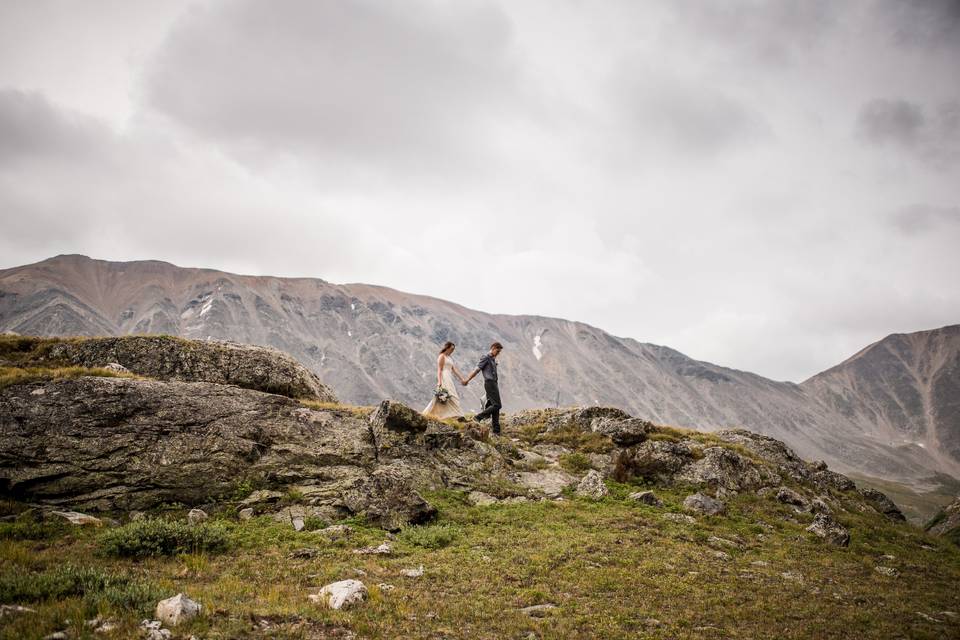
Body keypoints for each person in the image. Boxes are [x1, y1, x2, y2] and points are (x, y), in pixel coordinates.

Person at [463, 342, 503, 435]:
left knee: (495, 406)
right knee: (497, 405)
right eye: (497, 351)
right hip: (490, 384)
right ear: (493, 348)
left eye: (499, 352)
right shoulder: (485, 357)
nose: (498, 353)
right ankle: (478, 417)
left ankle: (496, 431)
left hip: (494, 384)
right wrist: (467, 379)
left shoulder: (493, 359)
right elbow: (477, 370)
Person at [422, 341, 467, 420]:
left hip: (449, 377)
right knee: (446, 394)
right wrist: (439, 382)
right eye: (451, 349)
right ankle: (454, 415)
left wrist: (461, 379)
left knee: (451, 395)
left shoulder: (449, 358)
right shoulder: (441, 356)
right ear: (447, 348)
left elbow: (454, 369)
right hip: (444, 376)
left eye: (453, 349)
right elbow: (439, 370)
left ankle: (454, 414)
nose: (452, 351)